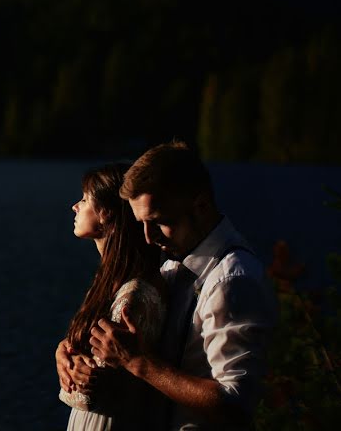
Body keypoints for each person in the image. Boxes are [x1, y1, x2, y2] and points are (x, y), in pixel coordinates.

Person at [87, 141, 275, 430]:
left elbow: (236, 404)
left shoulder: (232, 280)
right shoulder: (175, 264)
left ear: (200, 205)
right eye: (141, 224)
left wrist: (139, 362)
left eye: (159, 222)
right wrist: (69, 353)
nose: (149, 238)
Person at [56, 162, 166, 430]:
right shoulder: (111, 281)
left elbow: (89, 391)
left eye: (84, 199)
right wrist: (65, 351)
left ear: (105, 213)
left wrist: (69, 379)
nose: (75, 206)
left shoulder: (133, 295)